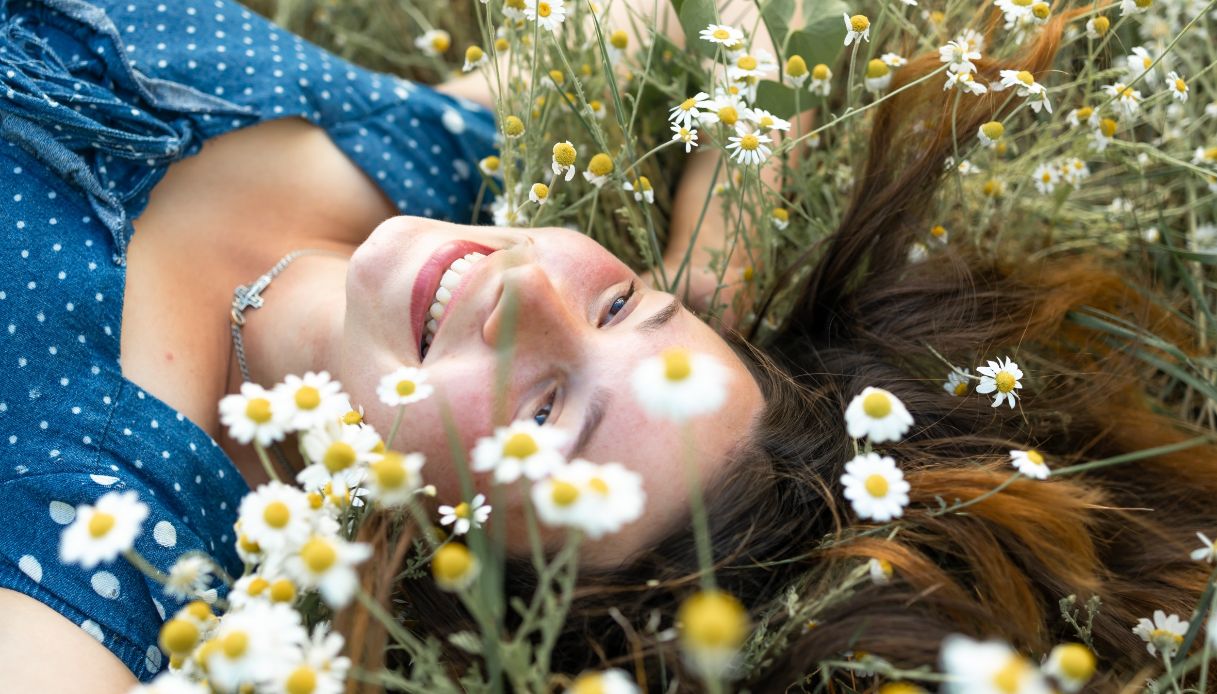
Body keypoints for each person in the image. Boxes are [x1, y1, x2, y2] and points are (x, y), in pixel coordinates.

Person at [1, 3, 1213, 694]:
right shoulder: (432, 153)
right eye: (624, 308)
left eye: (547, 418)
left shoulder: (108, 545)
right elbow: (737, 21)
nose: (527, 290)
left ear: (447, 570)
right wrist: (711, 252)